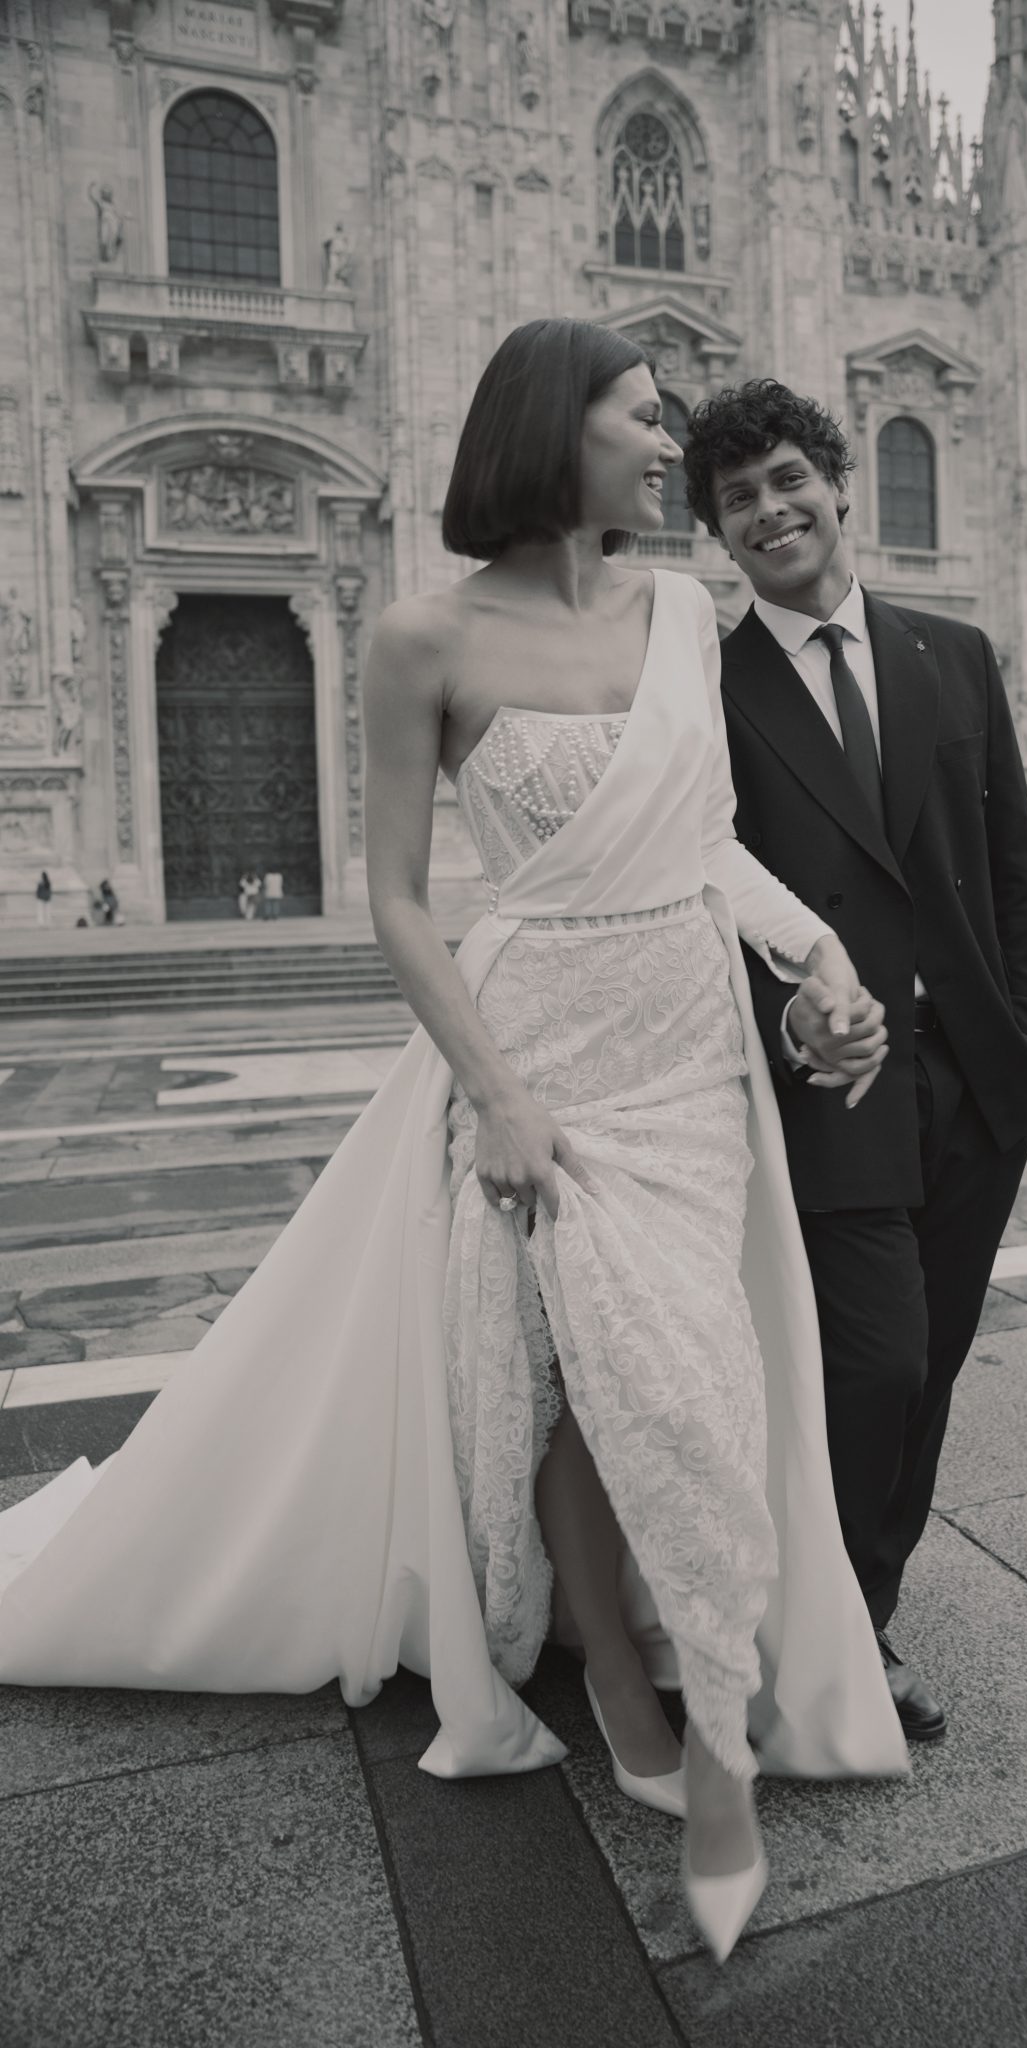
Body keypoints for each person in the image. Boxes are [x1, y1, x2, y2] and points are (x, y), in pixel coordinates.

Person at [0, 322, 907, 1967]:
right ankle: (681, 1720)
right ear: (554, 432)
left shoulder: (690, 618)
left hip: (688, 1047)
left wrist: (817, 956)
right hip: (540, 1046)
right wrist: (493, 1090)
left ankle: (682, 1685)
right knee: (588, 1372)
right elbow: (401, 902)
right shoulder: (423, 636)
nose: (670, 441)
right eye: (645, 416)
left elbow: (706, 845)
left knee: (676, 1370)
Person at [684, 380, 1027, 1737]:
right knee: (878, 1366)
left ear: (837, 484)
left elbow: (1010, 866)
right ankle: (827, 1626)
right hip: (828, 1079)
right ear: (719, 540)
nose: (770, 510)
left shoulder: (951, 656)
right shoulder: (709, 689)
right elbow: (703, 880)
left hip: (973, 1076)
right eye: (738, 501)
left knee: (932, 1371)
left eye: (787, 479)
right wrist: (780, 1011)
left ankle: (864, 1625)